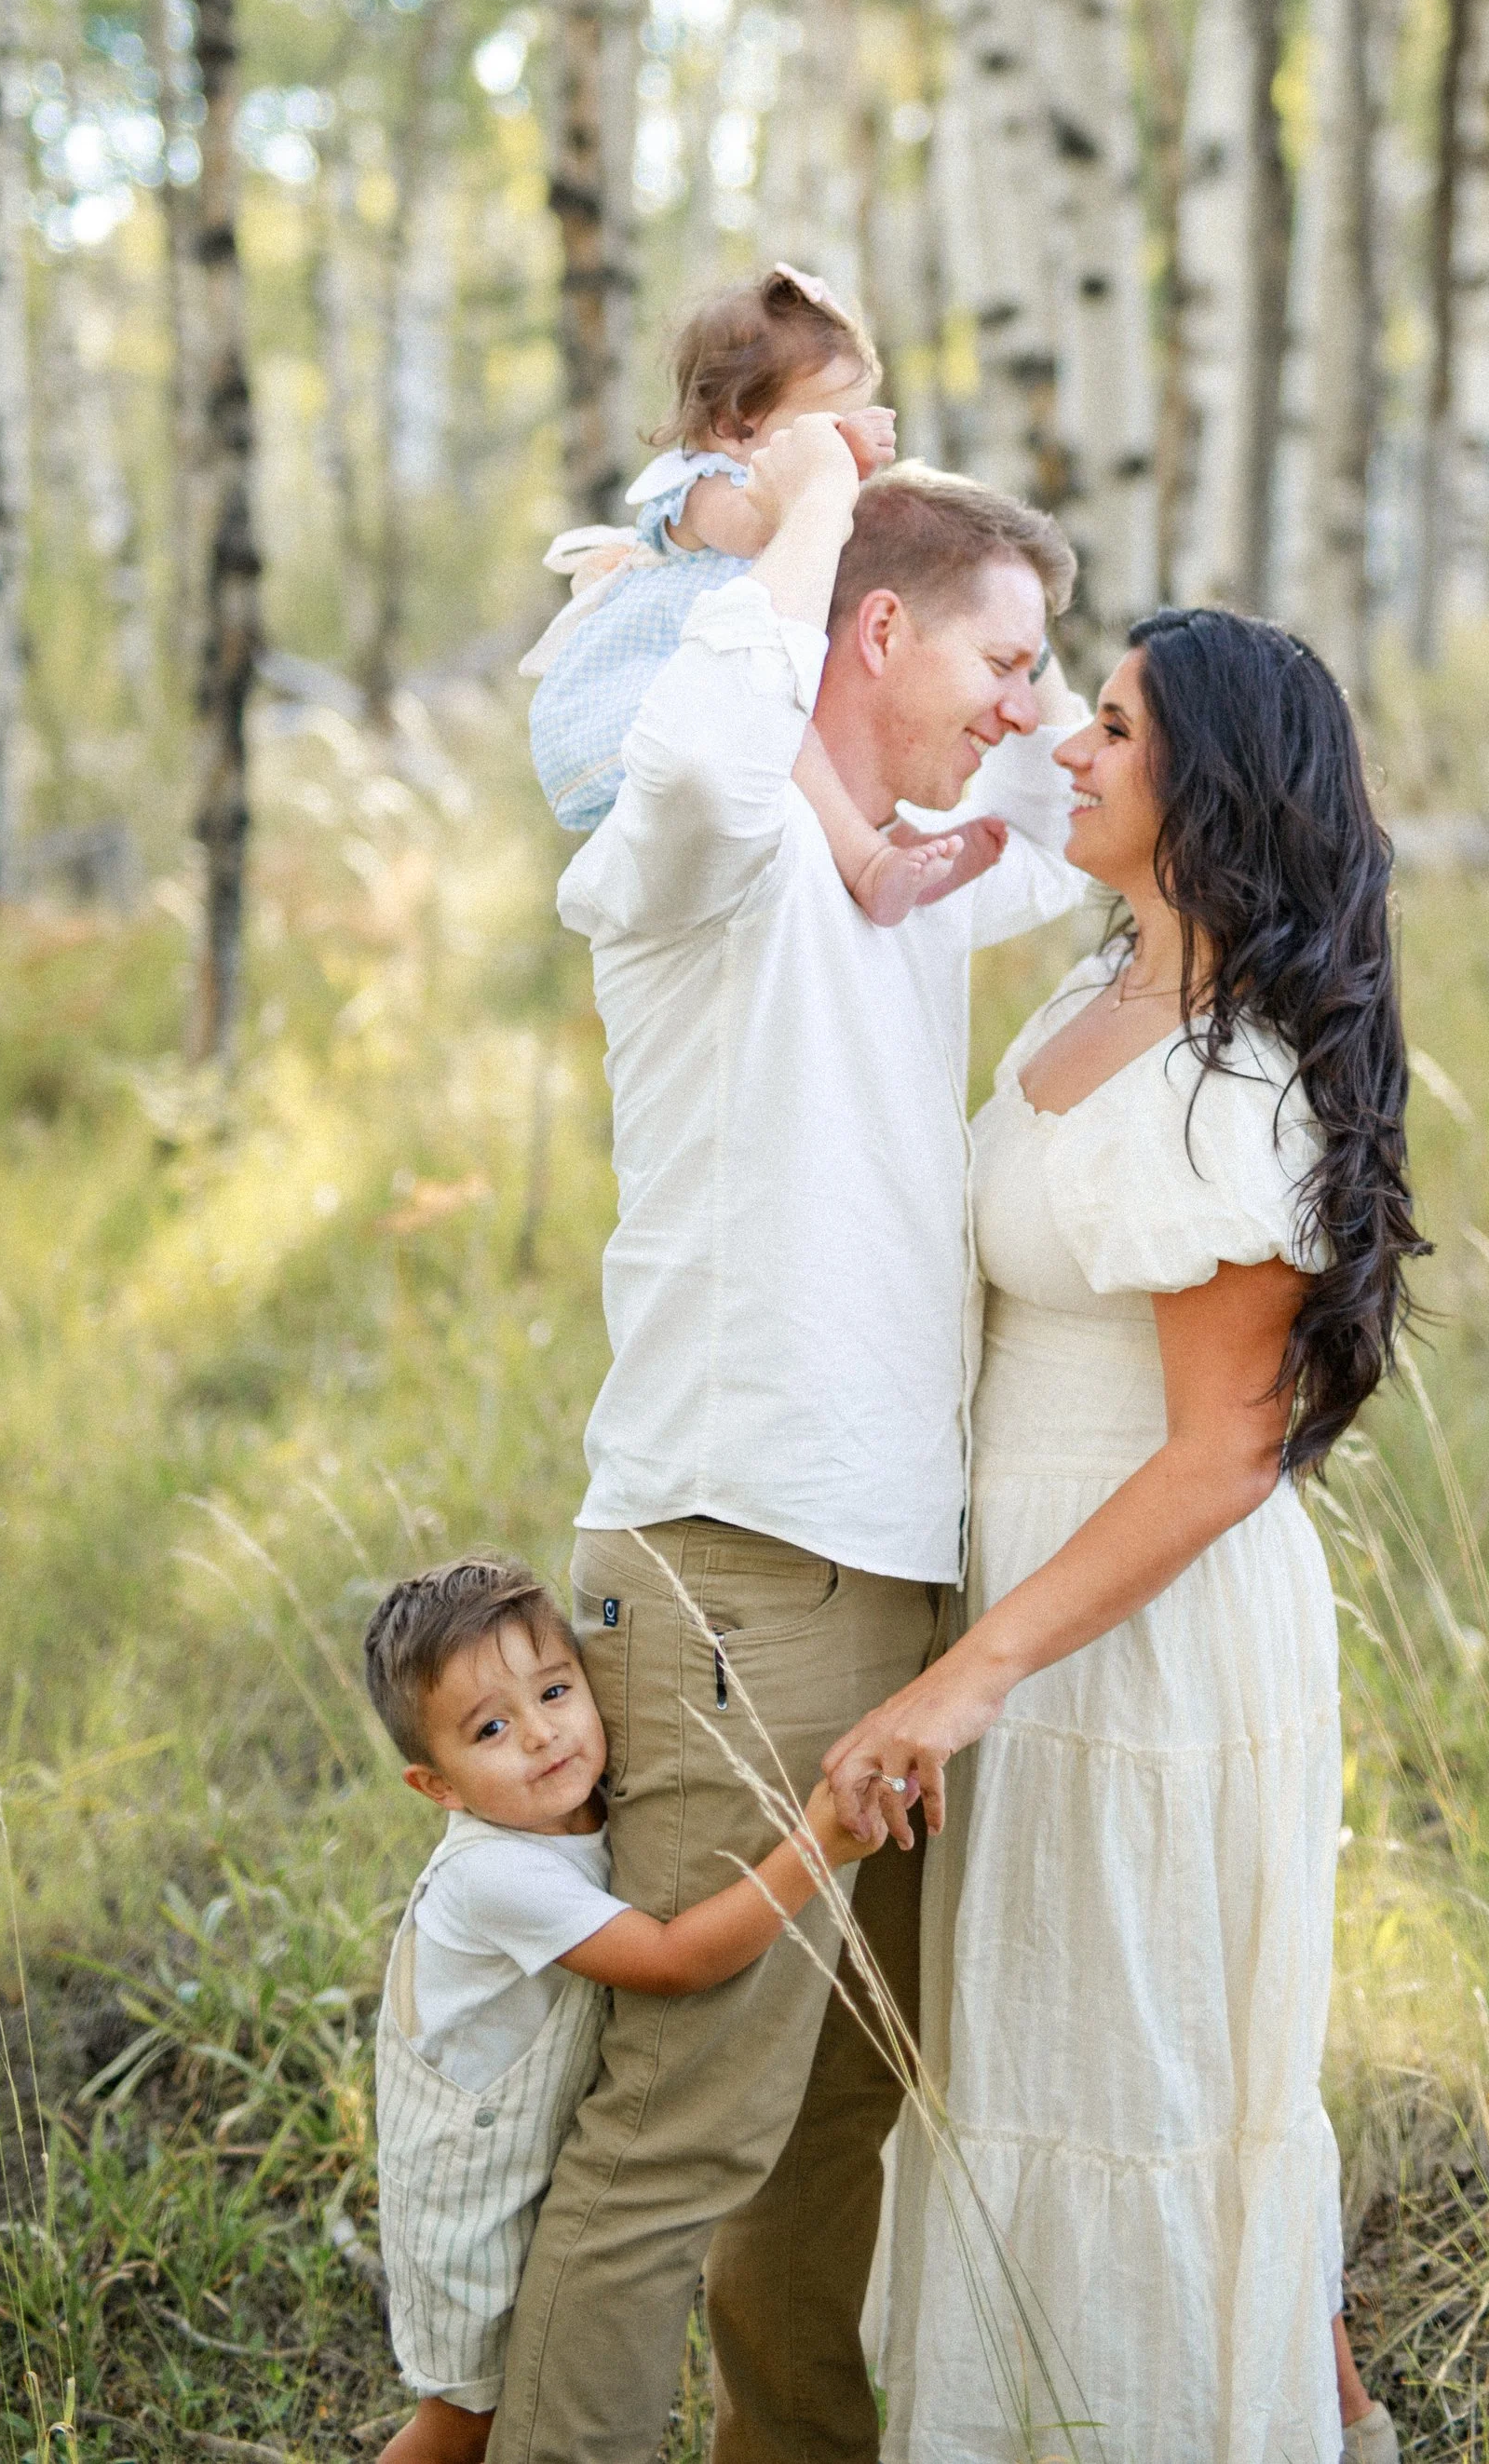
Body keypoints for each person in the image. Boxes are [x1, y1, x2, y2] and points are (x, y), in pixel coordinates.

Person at [487, 427, 1088, 2464]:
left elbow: (1094, 778)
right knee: (686, 2125)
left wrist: (964, 616)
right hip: (733, 1553)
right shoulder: (713, 846)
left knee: (840, 2110)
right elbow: (686, 745)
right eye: (996, 661)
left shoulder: (913, 873)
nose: (1026, 713)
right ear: (871, 627)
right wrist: (799, 499)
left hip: (895, 1570)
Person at [823, 606, 1426, 2464]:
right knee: (1020, 2070)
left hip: (1136, 1639)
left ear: (1211, 787)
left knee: (1134, 2087)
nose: (1065, 752)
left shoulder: (1223, 1078)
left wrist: (962, 1683)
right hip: (1024, 1605)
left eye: (1107, 726)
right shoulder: (1088, 996)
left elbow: (1219, 1455)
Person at [360, 1554, 885, 2464]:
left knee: (523, 2375)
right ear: (436, 1788)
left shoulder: (586, 1807)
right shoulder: (496, 1875)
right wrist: (818, 1844)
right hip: (467, 2199)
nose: (540, 1735)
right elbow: (677, 1962)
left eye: (555, 1692)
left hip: (531, 2162)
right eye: (490, 1728)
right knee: (466, 2420)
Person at [522, 264, 981, 926]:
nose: (840, 440)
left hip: (728, 680)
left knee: (820, 716)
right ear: (738, 424)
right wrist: (835, 468)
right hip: (647, 697)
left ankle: (880, 836)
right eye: (827, 422)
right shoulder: (701, 486)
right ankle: (870, 862)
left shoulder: (767, 478)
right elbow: (753, 528)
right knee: (786, 731)